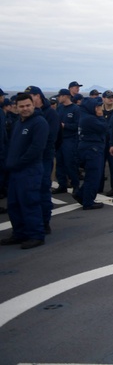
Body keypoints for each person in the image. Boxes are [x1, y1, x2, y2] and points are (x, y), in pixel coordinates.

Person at [1, 93, 48, 249]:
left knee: (30, 202)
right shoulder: (19, 123)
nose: (25, 109)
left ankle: (36, 235)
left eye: (28, 105)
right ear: (17, 107)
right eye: (21, 106)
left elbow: (36, 149)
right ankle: (19, 233)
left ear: (33, 105)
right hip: (15, 171)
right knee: (14, 204)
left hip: (30, 170)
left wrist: (18, 163)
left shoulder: (39, 123)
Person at [26, 86, 58, 234]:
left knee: (43, 189)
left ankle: (45, 222)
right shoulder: (29, 114)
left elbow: (53, 138)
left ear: (38, 96)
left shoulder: (50, 114)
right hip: (30, 160)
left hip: (44, 157)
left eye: (31, 96)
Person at [75, 97, 108, 210]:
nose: (100, 109)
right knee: (94, 176)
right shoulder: (90, 119)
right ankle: (88, 201)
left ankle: (81, 195)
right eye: (97, 107)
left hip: (88, 148)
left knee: (92, 175)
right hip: (92, 149)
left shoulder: (85, 116)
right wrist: (101, 117)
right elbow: (104, 127)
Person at [54, 89, 80, 194]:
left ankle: (75, 185)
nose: (58, 98)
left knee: (70, 163)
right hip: (60, 139)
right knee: (59, 163)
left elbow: (78, 125)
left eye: (60, 96)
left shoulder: (75, 109)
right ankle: (62, 184)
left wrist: (66, 126)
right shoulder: (59, 108)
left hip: (70, 139)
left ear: (65, 96)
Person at [101, 91, 113, 196]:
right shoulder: (99, 110)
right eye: (108, 97)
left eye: (112, 97)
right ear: (103, 98)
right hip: (101, 141)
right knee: (100, 165)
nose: (110, 99)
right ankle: (99, 186)